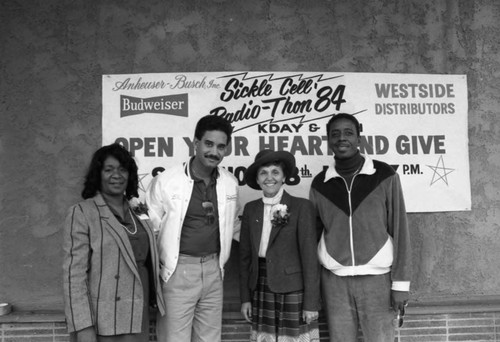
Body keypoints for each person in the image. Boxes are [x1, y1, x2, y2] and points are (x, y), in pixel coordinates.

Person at [309, 113, 412, 342]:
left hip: (377, 281)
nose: (341, 138)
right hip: (334, 282)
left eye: (348, 132)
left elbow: (401, 230)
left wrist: (401, 285)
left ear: (359, 139)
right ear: (328, 142)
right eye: (334, 134)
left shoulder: (384, 175)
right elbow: (312, 238)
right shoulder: (320, 184)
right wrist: (313, 291)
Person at [145, 115, 240, 342]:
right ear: (195, 143)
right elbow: (152, 232)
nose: (214, 152)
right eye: (208, 144)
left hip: (214, 270)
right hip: (177, 271)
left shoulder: (229, 182)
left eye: (220, 146)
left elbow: (234, 225)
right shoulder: (166, 181)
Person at [62, 143, 165, 342]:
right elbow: (73, 276)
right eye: (109, 170)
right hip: (105, 316)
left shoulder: (138, 211)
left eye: (122, 169)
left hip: (137, 309)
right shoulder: (83, 212)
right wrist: (83, 326)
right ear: (98, 175)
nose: (117, 175)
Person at [239, 149, 321, 342]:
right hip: (260, 285)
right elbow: (244, 258)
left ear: (284, 177)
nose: (269, 178)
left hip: (293, 288)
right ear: (257, 180)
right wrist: (245, 298)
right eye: (263, 173)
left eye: (275, 172)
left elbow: (310, 258)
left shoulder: (301, 207)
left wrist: (311, 303)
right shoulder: (251, 209)